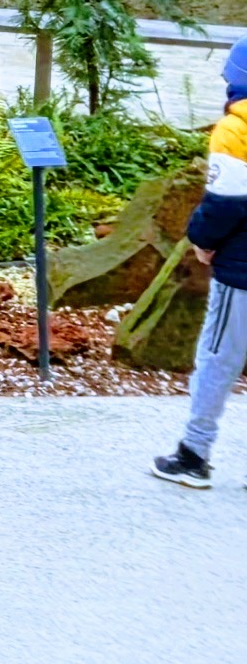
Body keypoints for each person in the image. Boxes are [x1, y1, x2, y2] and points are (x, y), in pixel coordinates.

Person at [154, 38, 247, 485]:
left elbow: (225, 203)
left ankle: (194, 454)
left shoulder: (237, 129)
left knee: (217, 357)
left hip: (241, 272)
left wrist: (201, 240)